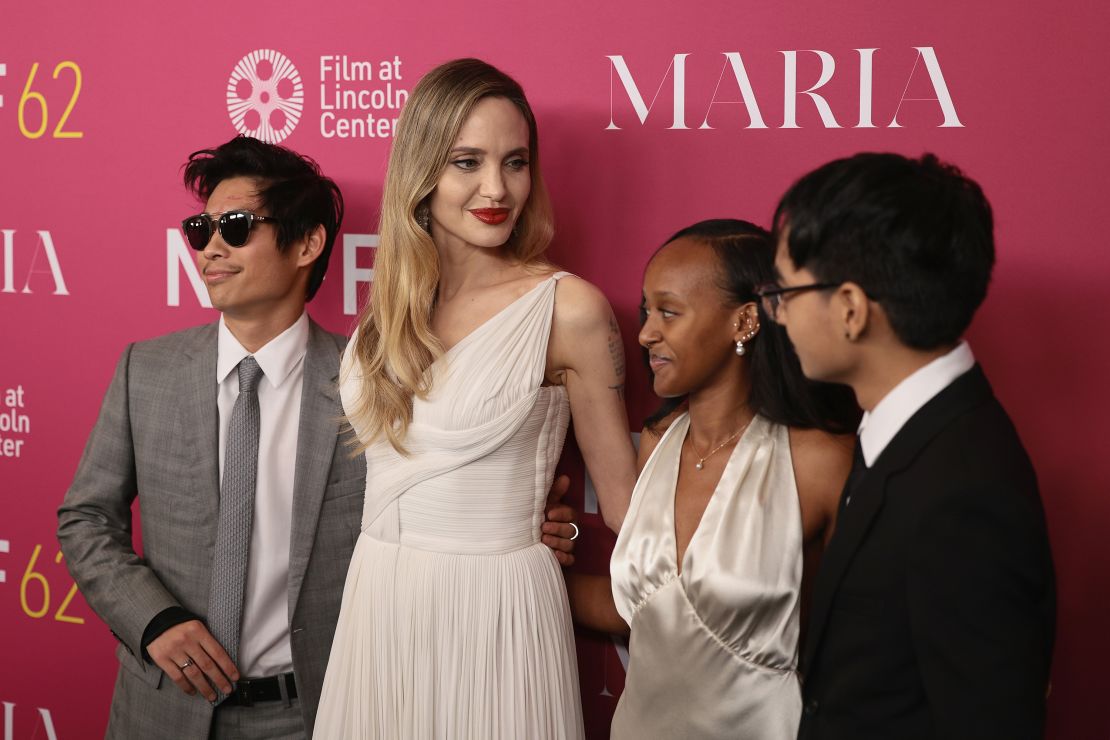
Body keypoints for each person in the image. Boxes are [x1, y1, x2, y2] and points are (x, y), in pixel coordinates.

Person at [56, 135, 580, 740]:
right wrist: (153, 621)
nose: (210, 249)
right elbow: (86, 519)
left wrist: (522, 523)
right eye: (200, 229)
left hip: (315, 711)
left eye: (234, 225)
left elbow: (436, 507)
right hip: (161, 710)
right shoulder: (145, 371)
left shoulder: (377, 380)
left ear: (307, 243)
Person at [313, 59, 637, 738]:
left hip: (497, 610)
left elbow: (632, 514)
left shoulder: (568, 309)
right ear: (423, 169)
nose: (497, 188)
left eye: (515, 163)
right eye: (468, 162)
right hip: (379, 599)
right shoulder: (390, 312)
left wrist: (566, 531)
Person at [762, 152, 1056, 739]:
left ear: (849, 309)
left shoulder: (965, 490)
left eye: (786, 293)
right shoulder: (905, 434)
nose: (780, 317)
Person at [567, 219, 855, 739]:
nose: (645, 333)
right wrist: (521, 569)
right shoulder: (658, 442)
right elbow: (654, 614)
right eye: (645, 311)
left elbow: (865, 647)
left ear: (744, 321)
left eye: (669, 312)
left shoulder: (818, 460)